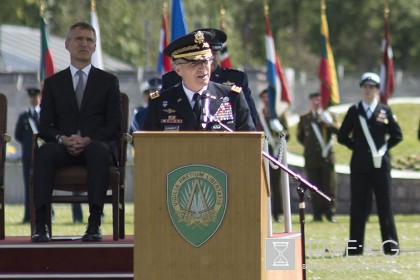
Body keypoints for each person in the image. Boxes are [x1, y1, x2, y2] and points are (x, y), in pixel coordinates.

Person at [31, 21, 122, 242]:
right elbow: (45, 126)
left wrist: (88, 139)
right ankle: (41, 224)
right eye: (79, 39)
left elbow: (115, 125)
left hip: (95, 146)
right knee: (45, 152)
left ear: (94, 46)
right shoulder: (53, 83)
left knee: (98, 151)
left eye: (89, 40)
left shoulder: (108, 82)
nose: (84, 44)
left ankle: (94, 223)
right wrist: (62, 139)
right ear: (67, 44)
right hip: (63, 147)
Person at [337, 72, 402, 255]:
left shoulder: (385, 110)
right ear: (361, 89)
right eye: (365, 87)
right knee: (357, 207)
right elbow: (342, 136)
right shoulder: (354, 110)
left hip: (381, 166)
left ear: (377, 90)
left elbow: (397, 135)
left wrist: (384, 149)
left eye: (372, 87)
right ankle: (355, 249)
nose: (368, 90)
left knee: (385, 206)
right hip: (359, 166)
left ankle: (391, 248)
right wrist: (357, 148)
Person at [143, 30, 255, 132]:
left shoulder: (232, 97)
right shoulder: (159, 103)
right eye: (194, 64)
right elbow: (149, 146)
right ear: (178, 69)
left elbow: (249, 144)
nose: (202, 68)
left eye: (206, 61)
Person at [297, 92, 339, 222]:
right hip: (312, 158)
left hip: (327, 157)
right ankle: (317, 214)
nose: (317, 101)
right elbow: (300, 137)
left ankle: (330, 213)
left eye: (320, 99)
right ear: (310, 101)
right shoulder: (305, 118)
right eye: (314, 99)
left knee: (329, 185)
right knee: (314, 186)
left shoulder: (331, 116)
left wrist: (330, 123)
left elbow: (339, 131)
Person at [258, 88, 289, 222]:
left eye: (268, 97)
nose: (266, 100)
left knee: (276, 186)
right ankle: (265, 212)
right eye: (263, 97)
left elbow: (288, 132)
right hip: (262, 153)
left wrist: (280, 130)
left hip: (276, 153)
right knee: (263, 184)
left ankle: (278, 213)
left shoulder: (279, 115)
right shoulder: (259, 114)